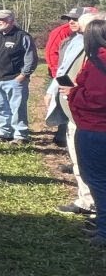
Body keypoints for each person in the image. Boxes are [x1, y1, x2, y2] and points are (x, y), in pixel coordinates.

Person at [50, 10, 100, 216]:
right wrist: (52, 91)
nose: (75, 25)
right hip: (75, 110)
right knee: (79, 159)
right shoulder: (74, 42)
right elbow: (63, 68)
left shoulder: (97, 56)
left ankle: (94, 206)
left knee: (91, 165)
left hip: (88, 116)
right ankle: (86, 200)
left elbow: (96, 93)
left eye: (82, 25)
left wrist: (74, 92)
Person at [67, 17, 106, 249]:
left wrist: (73, 93)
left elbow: (97, 99)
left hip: (95, 129)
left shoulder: (99, 62)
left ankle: (104, 230)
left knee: (98, 181)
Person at [0, 9, 38, 144]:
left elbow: (31, 58)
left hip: (15, 79)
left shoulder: (22, 36)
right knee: (1, 108)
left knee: (17, 109)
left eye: (2, 19)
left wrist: (23, 75)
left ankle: (20, 135)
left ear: (11, 21)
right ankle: (4, 133)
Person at [47, 7, 96, 150]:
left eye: (76, 19)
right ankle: (75, 161)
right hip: (67, 90)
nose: (71, 22)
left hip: (83, 93)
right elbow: (62, 67)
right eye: (69, 19)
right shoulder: (68, 41)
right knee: (70, 127)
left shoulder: (93, 42)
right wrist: (52, 89)